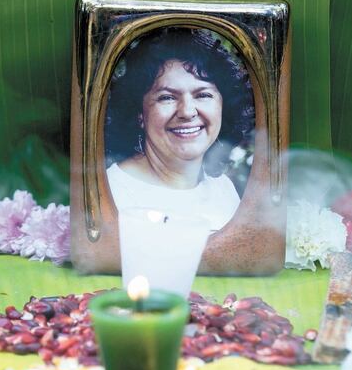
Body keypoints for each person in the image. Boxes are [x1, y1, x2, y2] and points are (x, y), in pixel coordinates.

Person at [105, 27, 255, 231]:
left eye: (203, 95)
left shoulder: (223, 189)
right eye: (167, 97)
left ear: (223, 106)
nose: (187, 112)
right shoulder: (114, 191)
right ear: (139, 113)